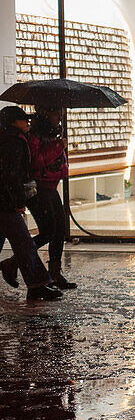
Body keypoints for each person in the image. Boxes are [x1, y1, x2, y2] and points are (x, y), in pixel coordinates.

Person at [1, 107, 75, 290]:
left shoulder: (44, 135)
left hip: (49, 185)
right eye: (56, 113)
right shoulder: (25, 138)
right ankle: (33, 279)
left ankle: (50, 275)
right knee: (38, 234)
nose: (59, 118)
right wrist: (57, 147)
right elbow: (33, 163)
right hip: (36, 189)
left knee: (57, 230)